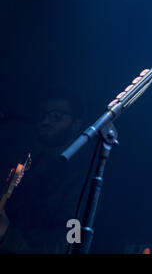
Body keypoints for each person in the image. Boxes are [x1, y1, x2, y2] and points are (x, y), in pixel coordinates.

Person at [0, 88, 88, 253]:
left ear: (76, 124)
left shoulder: (82, 176)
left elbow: (69, 243)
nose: (46, 121)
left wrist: (6, 233)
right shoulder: (31, 164)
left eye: (56, 116)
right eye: (42, 116)